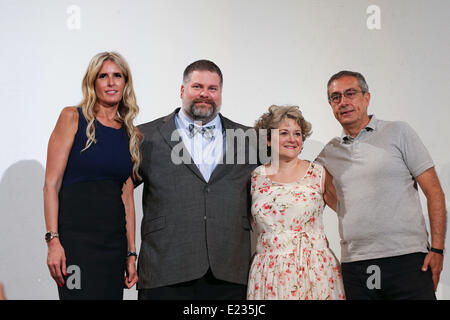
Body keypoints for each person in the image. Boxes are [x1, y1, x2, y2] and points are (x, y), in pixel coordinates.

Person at [315, 70, 446, 299]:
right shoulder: (329, 153)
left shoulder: (398, 132)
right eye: (336, 97)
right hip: (356, 266)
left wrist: (437, 249)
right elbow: (305, 190)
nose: (343, 102)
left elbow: (434, 192)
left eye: (350, 94)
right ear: (330, 104)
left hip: (408, 259)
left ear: (366, 98)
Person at [136, 59, 258, 300]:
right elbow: (116, 192)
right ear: (182, 91)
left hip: (230, 271)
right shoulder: (144, 136)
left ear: (221, 93)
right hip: (165, 269)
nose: (205, 94)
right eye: (197, 87)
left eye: (213, 88)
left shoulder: (249, 138)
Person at [43, 52, 140, 299]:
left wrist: (131, 253)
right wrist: (53, 241)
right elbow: (51, 185)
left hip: (112, 246)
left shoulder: (131, 134)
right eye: (103, 76)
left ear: (125, 82)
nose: (111, 82)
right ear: (93, 83)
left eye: (117, 76)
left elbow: (127, 200)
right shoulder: (72, 117)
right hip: (76, 244)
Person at [247, 105, 345, 300]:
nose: (292, 139)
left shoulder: (319, 173)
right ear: (268, 139)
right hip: (267, 272)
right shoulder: (255, 177)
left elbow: (348, 214)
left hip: (315, 271)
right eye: (284, 133)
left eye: (297, 134)